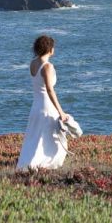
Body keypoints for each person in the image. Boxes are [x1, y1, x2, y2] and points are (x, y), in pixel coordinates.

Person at [16, 35, 70, 171]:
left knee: (34, 138)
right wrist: (61, 112)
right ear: (50, 49)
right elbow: (50, 90)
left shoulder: (33, 63)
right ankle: (42, 165)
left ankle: (28, 164)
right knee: (53, 138)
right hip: (47, 107)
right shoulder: (47, 67)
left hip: (36, 106)